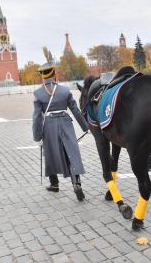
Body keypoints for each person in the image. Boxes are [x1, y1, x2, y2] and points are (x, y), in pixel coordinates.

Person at [32, 62, 89, 201]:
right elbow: (75, 110)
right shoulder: (65, 91)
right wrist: (86, 127)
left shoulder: (38, 94)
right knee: (71, 153)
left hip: (49, 126)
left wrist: (37, 135)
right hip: (65, 123)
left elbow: (36, 117)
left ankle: (54, 184)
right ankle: (77, 184)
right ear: (54, 74)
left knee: (50, 153)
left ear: (43, 77)